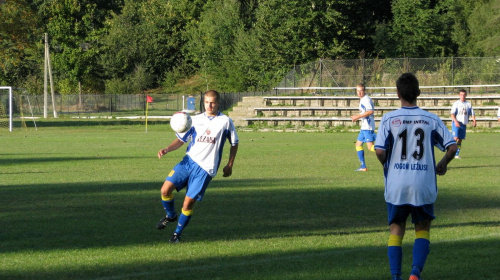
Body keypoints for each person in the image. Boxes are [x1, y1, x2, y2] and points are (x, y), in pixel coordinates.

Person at [375, 73, 457, 280]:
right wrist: (442, 164)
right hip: (423, 183)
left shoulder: (389, 118)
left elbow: (378, 151)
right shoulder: (431, 119)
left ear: (397, 94)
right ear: (418, 93)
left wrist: (387, 163)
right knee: (422, 229)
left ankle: (396, 276)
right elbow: (452, 147)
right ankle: (415, 273)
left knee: (396, 229)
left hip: (397, 184)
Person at [156, 90, 239, 243]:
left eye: (213, 102)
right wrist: (167, 149)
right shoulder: (194, 120)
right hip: (188, 162)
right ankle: (171, 215)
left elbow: (234, 143)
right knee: (165, 189)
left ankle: (176, 234)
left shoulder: (226, 121)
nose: (210, 105)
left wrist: (230, 164)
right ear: (204, 103)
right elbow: (181, 140)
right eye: (207, 102)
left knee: (188, 203)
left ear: (218, 103)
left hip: (206, 169)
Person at [350, 83, 376, 171]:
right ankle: (363, 166)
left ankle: (388, 150)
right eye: (358, 91)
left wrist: (357, 116)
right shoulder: (362, 99)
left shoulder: (366, 100)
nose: (359, 93)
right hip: (364, 127)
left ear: (364, 91)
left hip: (367, 127)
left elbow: (370, 111)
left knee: (370, 147)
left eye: (361, 91)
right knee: (358, 144)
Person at [450, 89, 476, 159]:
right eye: (461, 95)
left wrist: (474, 120)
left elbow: (472, 113)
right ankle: (449, 152)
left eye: (464, 95)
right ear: (459, 95)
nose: (463, 96)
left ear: (466, 95)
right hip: (457, 123)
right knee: (455, 138)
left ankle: (456, 154)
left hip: (463, 124)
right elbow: (452, 114)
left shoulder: (468, 104)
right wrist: (455, 121)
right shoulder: (456, 104)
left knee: (460, 139)